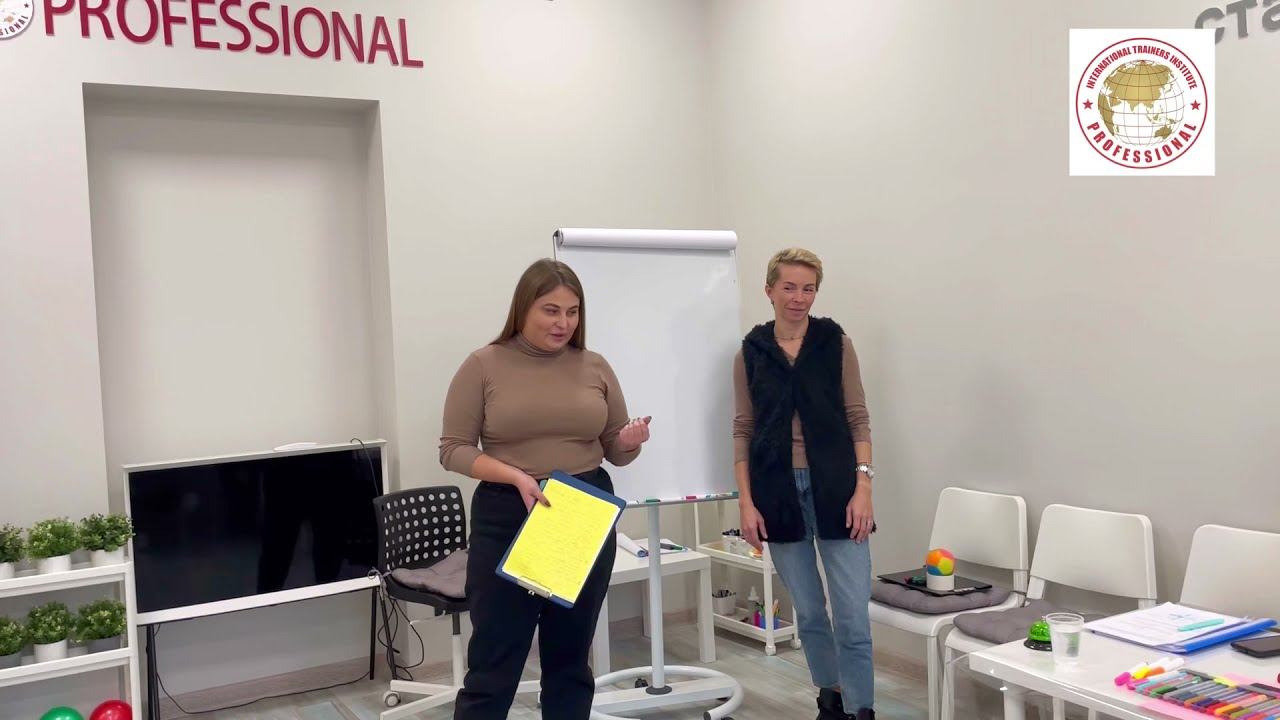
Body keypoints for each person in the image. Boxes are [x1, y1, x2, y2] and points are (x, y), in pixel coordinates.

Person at [439, 258, 652, 720]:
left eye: (573, 312)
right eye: (551, 311)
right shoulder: (483, 365)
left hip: (580, 510)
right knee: (495, 659)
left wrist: (629, 441)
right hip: (509, 511)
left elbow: (614, 449)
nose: (563, 323)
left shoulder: (594, 366)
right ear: (523, 309)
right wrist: (515, 476)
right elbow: (453, 449)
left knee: (570, 657)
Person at [732, 247, 876, 720]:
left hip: (837, 487)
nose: (798, 297)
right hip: (776, 491)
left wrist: (864, 486)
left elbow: (858, 418)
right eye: (789, 287)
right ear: (769, 290)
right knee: (810, 613)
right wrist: (746, 502)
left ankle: (862, 709)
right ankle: (830, 699)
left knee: (852, 614)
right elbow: (743, 429)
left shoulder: (835, 343)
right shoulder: (751, 352)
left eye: (808, 288)